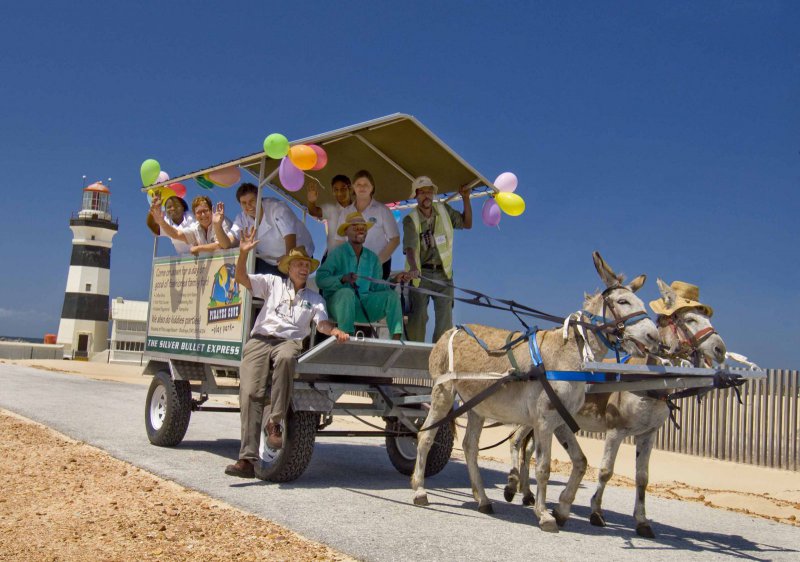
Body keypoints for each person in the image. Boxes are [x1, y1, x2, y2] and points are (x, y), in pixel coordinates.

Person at [225, 229, 348, 479]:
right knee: (250, 393)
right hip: (260, 340)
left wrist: (334, 330)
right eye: (298, 264)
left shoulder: (314, 298)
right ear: (288, 267)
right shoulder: (272, 283)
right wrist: (242, 253)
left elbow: (320, 324)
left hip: (289, 341)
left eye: (306, 265)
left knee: (287, 357)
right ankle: (247, 459)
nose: (303, 268)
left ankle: (275, 422)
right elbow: (240, 278)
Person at [402, 176, 472, 343]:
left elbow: (467, 224)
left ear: (433, 193)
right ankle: (414, 354)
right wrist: (413, 268)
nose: (426, 195)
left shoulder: (443, 209)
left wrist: (466, 198)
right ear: (416, 196)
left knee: (445, 320)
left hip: (444, 275)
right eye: (422, 192)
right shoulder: (410, 219)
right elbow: (410, 248)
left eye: (429, 191)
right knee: (418, 318)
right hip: (421, 276)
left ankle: (439, 356)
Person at [315, 212, 404, 339]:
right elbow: (320, 279)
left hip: (363, 306)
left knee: (392, 296)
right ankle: (345, 340)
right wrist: (342, 278)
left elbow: (376, 287)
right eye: (355, 227)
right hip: (337, 307)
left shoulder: (373, 258)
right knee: (346, 293)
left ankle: (396, 344)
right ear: (346, 232)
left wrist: (394, 280)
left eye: (363, 228)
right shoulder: (337, 253)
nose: (360, 230)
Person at [226, 183, 315, 276]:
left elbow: (290, 236)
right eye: (244, 203)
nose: (248, 206)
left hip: (299, 253)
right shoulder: (241, 218)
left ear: (259, 198)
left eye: (252, 201)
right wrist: (217, 225)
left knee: (292, 285)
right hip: (270, 262)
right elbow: (227, 243)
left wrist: (288, 261)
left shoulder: (277, 208)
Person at [334, 170, 399, 279]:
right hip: (352, 268)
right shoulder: (345, 213)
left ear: (372, 187)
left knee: (377, 296)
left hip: (379, 267)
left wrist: (377, 262)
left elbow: (395, 239)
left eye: (366, 184)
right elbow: (339, 241)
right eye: (358, 184)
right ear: (353, 187)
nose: (362, 187)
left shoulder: (382, 210)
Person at [151, 195, 234, 256]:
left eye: (205, 211)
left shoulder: (222, 221)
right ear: (194, 215)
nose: (203, 215)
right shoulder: (195, 227)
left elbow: (224, 245)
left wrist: (199, 248)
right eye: (199, 212)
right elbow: (177, 234)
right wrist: (161, 222)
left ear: (211, 210)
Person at [306, 174, 352, 262]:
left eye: (343, 188)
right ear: (333, 192)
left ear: (350, 188)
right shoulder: (331, 209)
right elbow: (313, 211)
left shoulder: (360, 210)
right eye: (336, 190)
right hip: (331, 260)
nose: (339, 193)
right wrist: (311, 201)